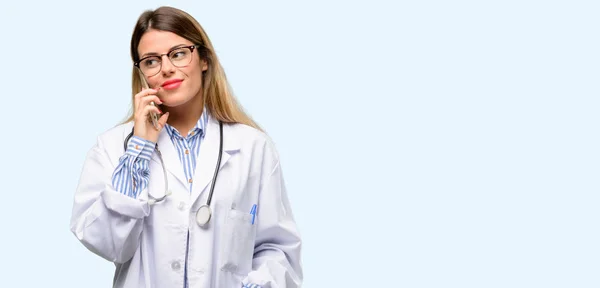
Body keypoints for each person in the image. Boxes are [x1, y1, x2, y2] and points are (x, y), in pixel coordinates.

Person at [69, 6, 302, 288]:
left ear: (203, 59)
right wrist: (139, 149)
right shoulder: (113, 147)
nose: (167, 68)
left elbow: (278, 249)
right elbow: (107, 244)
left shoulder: (253, 147)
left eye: (179, 53)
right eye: (152, 61)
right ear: (142, 73)